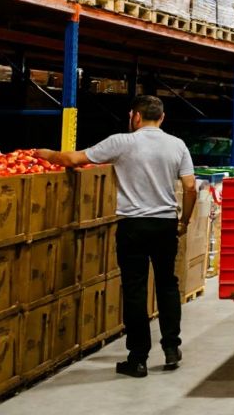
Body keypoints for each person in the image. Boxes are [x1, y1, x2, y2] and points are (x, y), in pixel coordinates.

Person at [35, 95, 197, 378]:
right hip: (164, 225)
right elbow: (191, 186)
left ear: (134, 116)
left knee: (135, 290)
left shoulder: (122, 142)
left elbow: (74, 159)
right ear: (162, 117)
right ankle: (171, 348)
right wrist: (183, 220)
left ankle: (138, 358)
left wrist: (43, 153)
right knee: (167, 285)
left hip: (133, 225)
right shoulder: (177, 145)